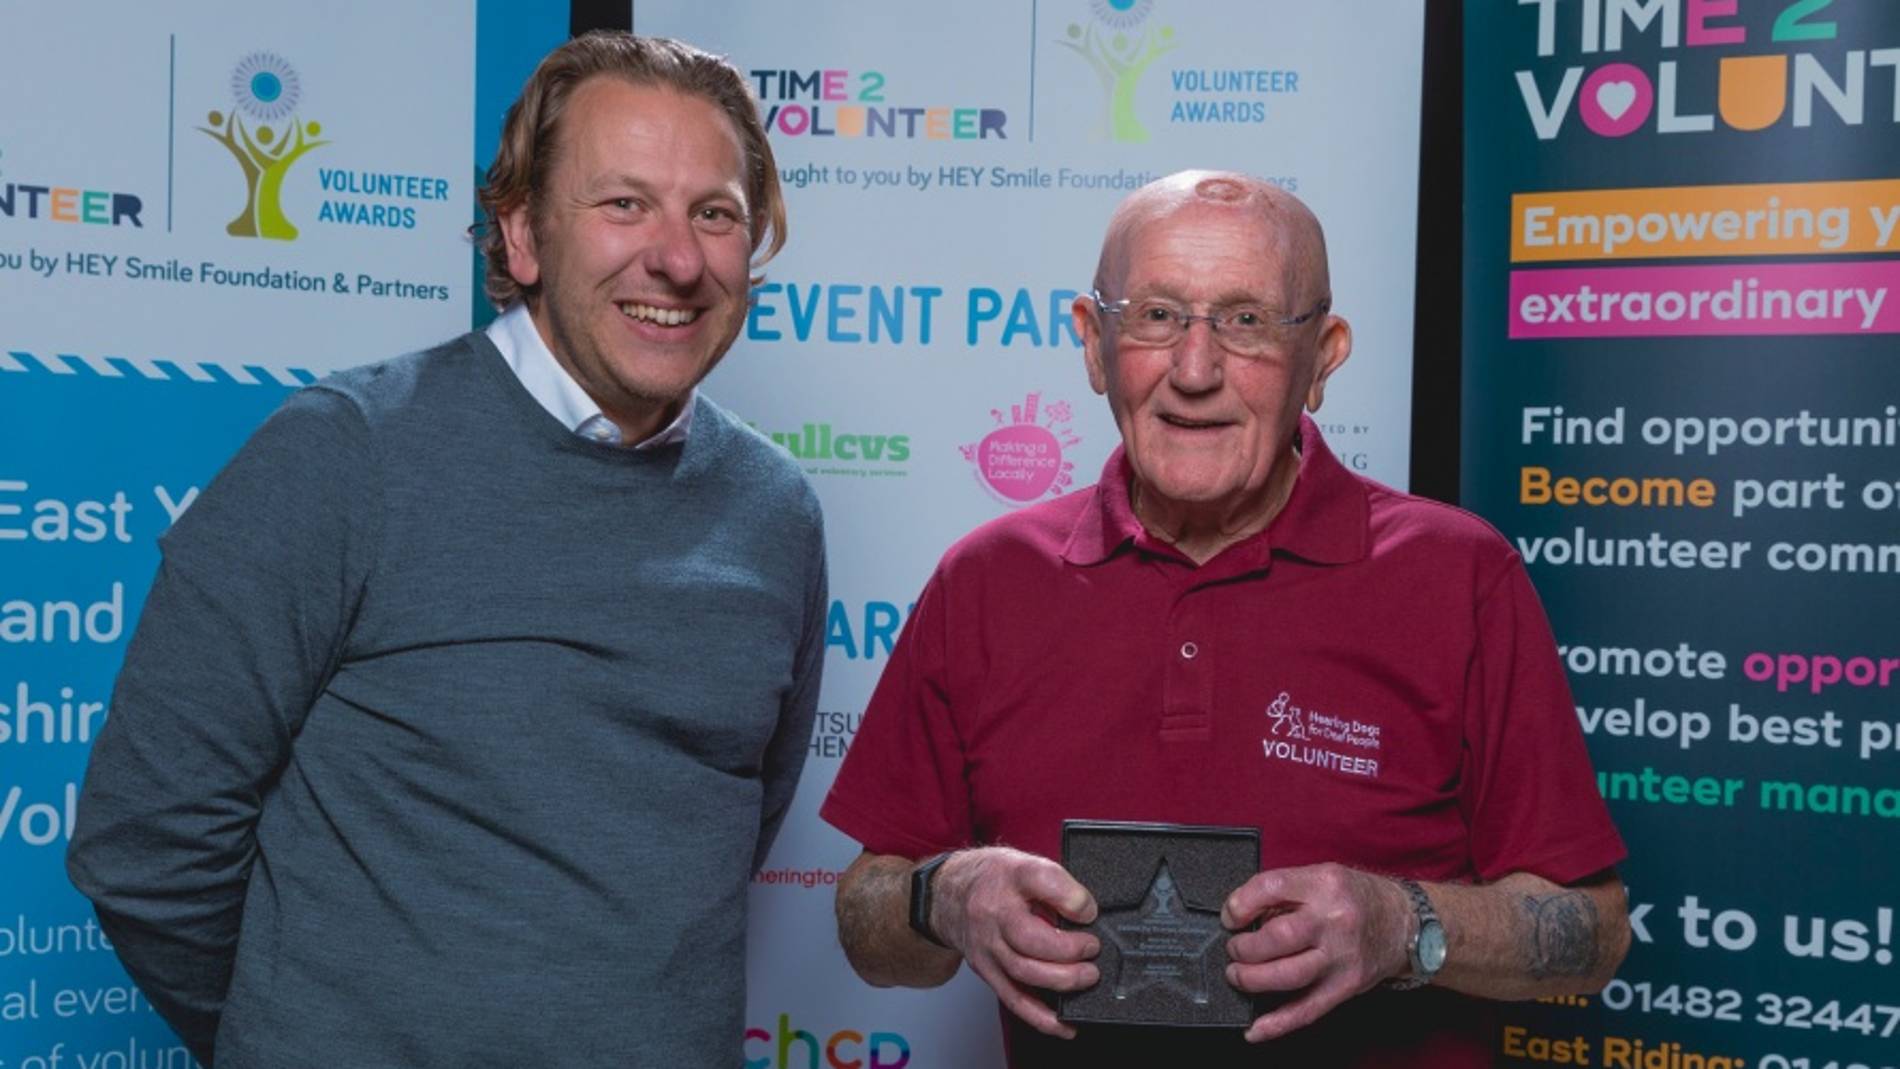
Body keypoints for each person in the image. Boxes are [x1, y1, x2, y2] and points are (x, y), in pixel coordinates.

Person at [66, 32, 826, 1068]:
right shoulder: (345, 453)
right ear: (520, 236)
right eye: (622, 203)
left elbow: (729, 838)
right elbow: (147, 843)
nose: (679, 259)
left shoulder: (774, 512)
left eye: (715, 214)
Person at [821, 171, 1629, 1066]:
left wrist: (1403, 923)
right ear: (1094, 344)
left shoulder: (1460, 574)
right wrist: (946, 894)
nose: (1195, 370)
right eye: (1157, 315)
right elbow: (866, 915)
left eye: (1247, 322)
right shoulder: (985, 580)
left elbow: (1594, 936)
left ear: (1322, 357)